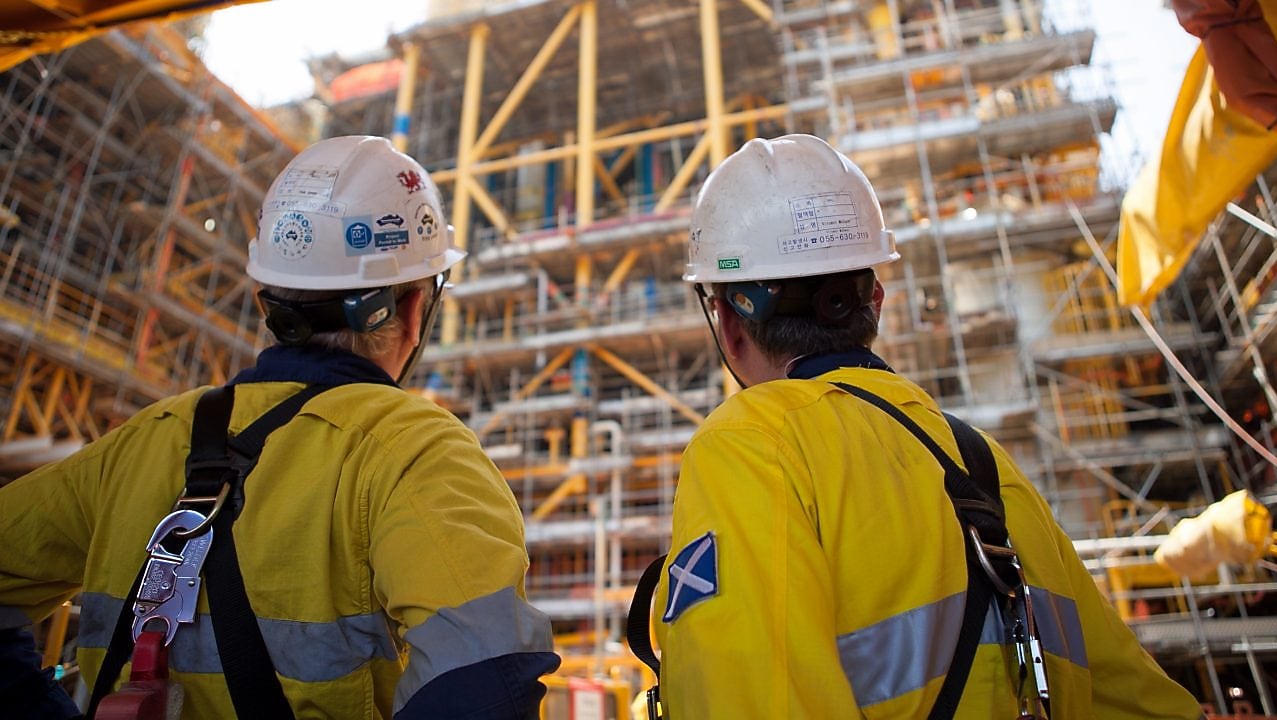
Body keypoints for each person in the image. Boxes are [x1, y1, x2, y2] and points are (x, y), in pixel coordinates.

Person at [0, 135, 559, 718]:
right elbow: (488, 679)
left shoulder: (144, 440)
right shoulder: (414, 449)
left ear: (272, 298)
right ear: (414, 308)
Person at [647, 134, 1204, 718]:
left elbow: (749, 697)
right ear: (876, 302)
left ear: (731, 328)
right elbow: (1143, 703)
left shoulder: (750, 445)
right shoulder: (984, 464)